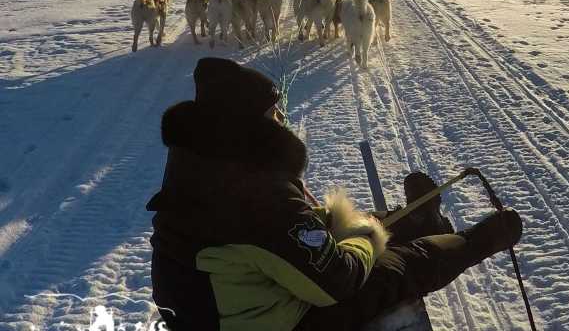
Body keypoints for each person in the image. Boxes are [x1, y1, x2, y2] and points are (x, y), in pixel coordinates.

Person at [147, 57, 522, 330]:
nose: (281, 120)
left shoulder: (197, 165)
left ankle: (418, 219)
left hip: (220, 307)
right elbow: (337, 280)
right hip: (266, 321)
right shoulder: (259, 198)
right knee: (399, 266)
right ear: (248, 123)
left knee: (345, 227)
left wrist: (353, 227)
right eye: (275, 113)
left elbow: (282, 236)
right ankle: (480, 239)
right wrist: (368, 236)